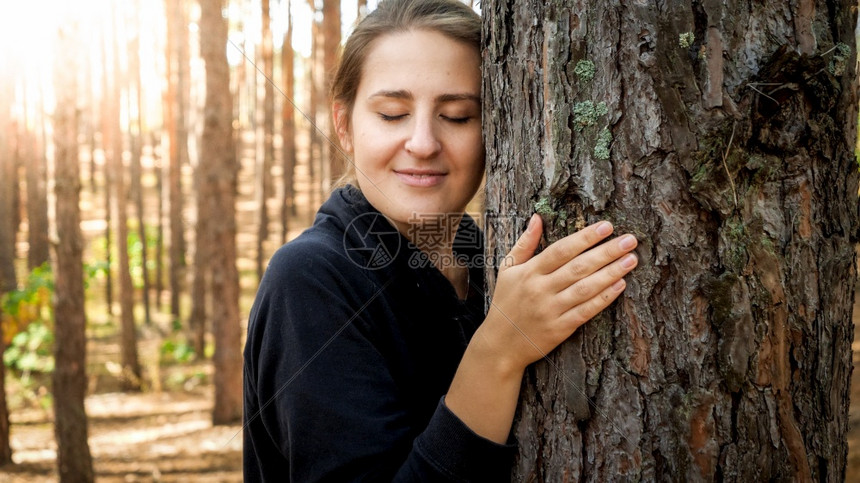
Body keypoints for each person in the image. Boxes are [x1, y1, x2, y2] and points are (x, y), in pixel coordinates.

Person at [242, 0, 639, 480]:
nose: (424, 143)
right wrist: (499, 350)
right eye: (392, 114)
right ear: (344, 125)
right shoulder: (309, 279)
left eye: (456, 115)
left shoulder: (491, 260)